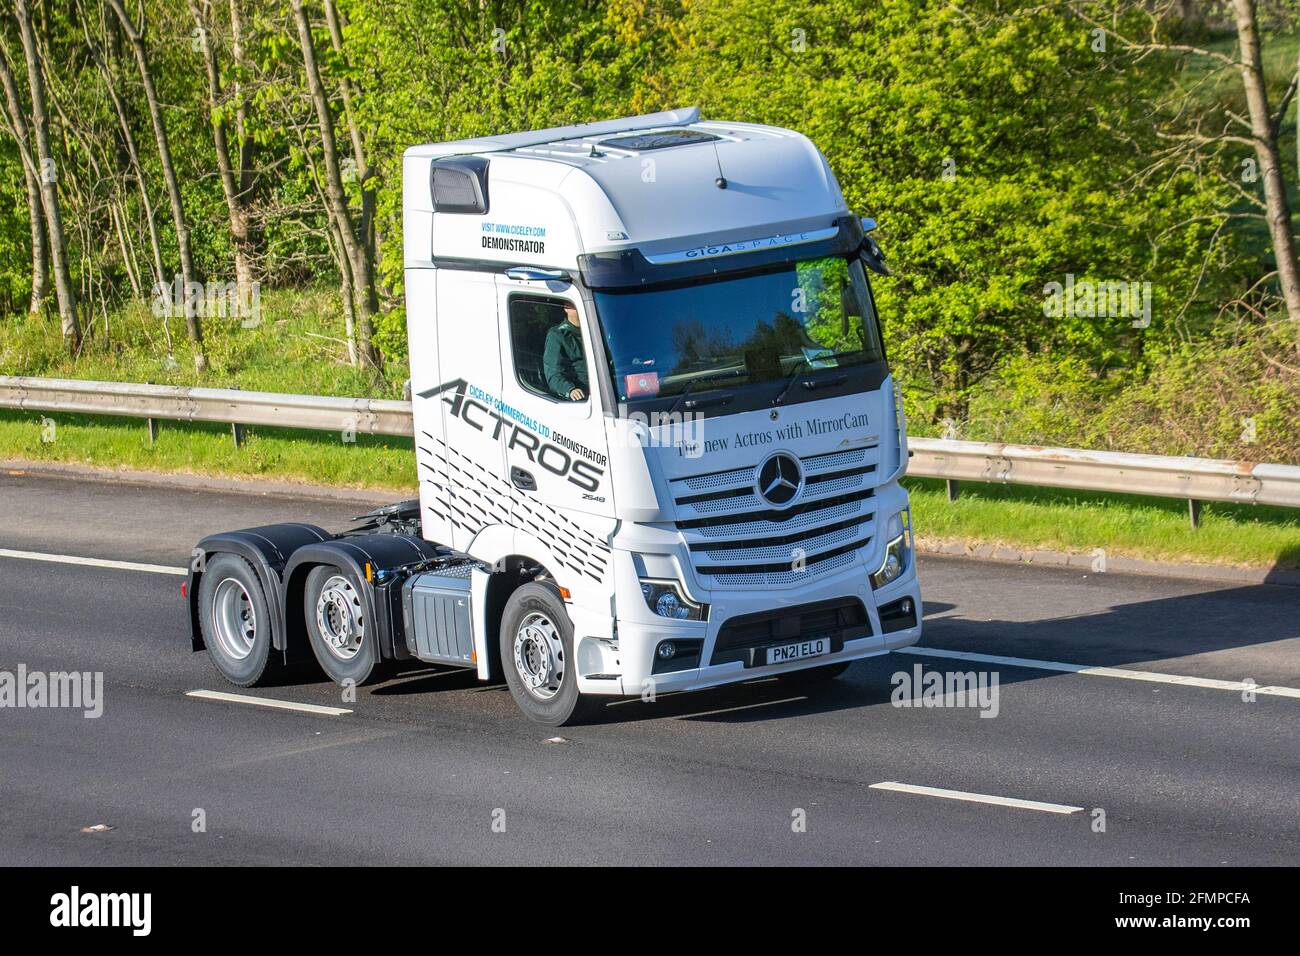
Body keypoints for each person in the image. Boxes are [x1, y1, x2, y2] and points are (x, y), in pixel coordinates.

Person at [543, 303, 588, 401]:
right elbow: (553, 374)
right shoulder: (557, 335)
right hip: (579, 395)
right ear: (566, 309)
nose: (580, 307)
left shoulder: (596, 331)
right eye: (574, 306)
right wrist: (570, 390)